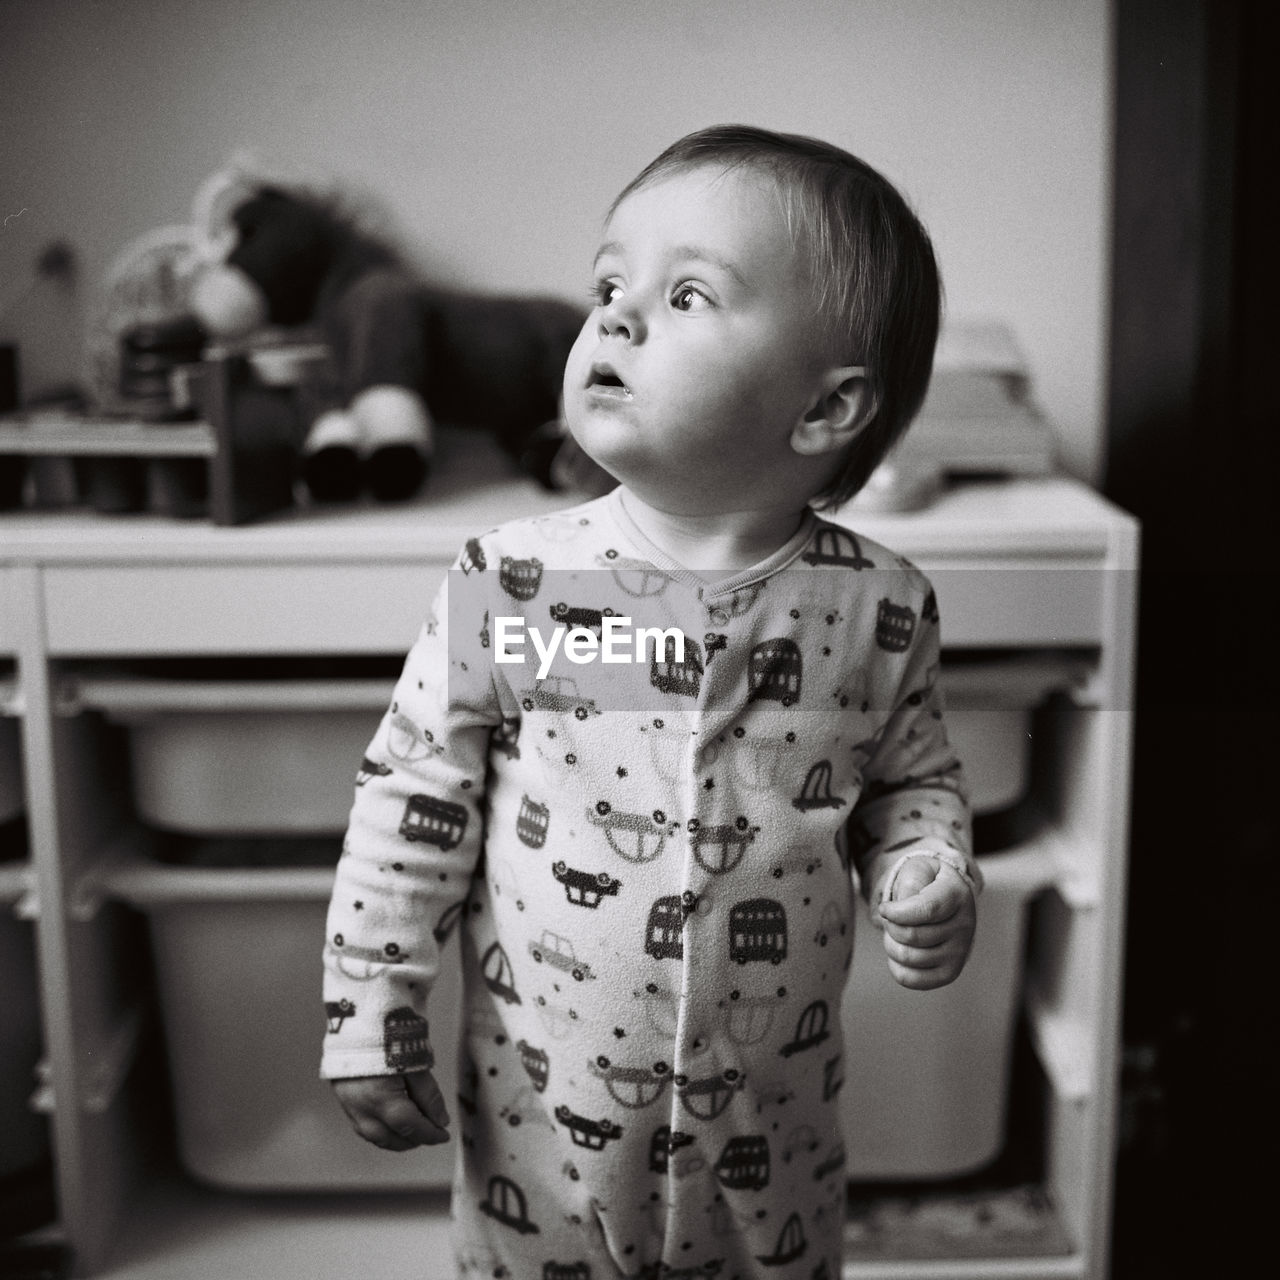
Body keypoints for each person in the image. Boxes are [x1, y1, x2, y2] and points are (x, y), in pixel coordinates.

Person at [322, 124, 979, 1278]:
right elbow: (412, 796)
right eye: (608, 285)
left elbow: (910, 783)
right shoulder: (510, 578)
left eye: (684, 295)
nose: (613, 318)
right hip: (541, 1128)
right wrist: (370, 1001)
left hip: (768, 1134)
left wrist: (929, 871)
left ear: (824, 409)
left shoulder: (878, 605)